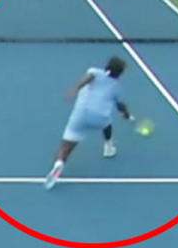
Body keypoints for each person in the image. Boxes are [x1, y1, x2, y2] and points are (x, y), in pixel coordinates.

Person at [44, 56, 133, 190]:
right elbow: (121, 106)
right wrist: (126, 114)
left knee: (66, 146)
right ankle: (108, 147)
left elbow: (87, 78)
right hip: (100, 119)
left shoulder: (95, 72)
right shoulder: (117, 87)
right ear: (120, 73)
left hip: (80, 115)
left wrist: (75, 89)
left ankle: (59, 163)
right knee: (107, 122)